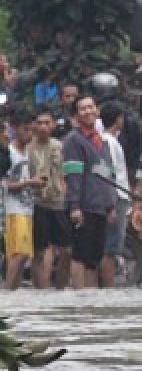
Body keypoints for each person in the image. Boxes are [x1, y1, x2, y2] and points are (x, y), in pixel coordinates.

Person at [63, 95, 118, 289]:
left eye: (90, 107)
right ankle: (80, 298)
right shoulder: (73, 140)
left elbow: (108, 175)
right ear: (76, 115)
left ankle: (91, 301)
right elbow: (73, 176)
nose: (87, 111)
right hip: (83, 207)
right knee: (80, 255)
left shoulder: (100, 140)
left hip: (99, 207)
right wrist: (75, 206)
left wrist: (111, 205)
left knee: (94, 257)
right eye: (82, 109)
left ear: (97, 110)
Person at [3, 108, 44, 290]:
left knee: (24, 255)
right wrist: (29, 182)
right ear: (14, 128)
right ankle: (8, 293)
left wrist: (35, 184)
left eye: (31, 130)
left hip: (26, 209)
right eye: (25, 129)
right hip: (12, 211)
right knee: (18, 254)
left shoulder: (26, 153)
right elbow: (4, 185)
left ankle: (14, 296)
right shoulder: (8, 153)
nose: (29, 134)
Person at [30, 107, 69, 289]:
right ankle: (42, 292)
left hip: (58, 202)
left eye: (47, 123)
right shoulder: (29, 147)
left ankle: (60, 290)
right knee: (42, 251)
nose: (44, 127)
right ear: (34, 126)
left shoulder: (59, 146)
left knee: (66, 250)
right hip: (37, 202)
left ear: (53, 125)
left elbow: (64, 173)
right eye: (40, 123)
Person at [98, 100, 132, 288]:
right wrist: (110, 205)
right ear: (118, 120)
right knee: (109, 249)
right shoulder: (107, 142)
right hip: (116, 198)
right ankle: (108, 289)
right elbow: (106, 173)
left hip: (119, 197)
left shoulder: (110, 141)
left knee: (110, 248)